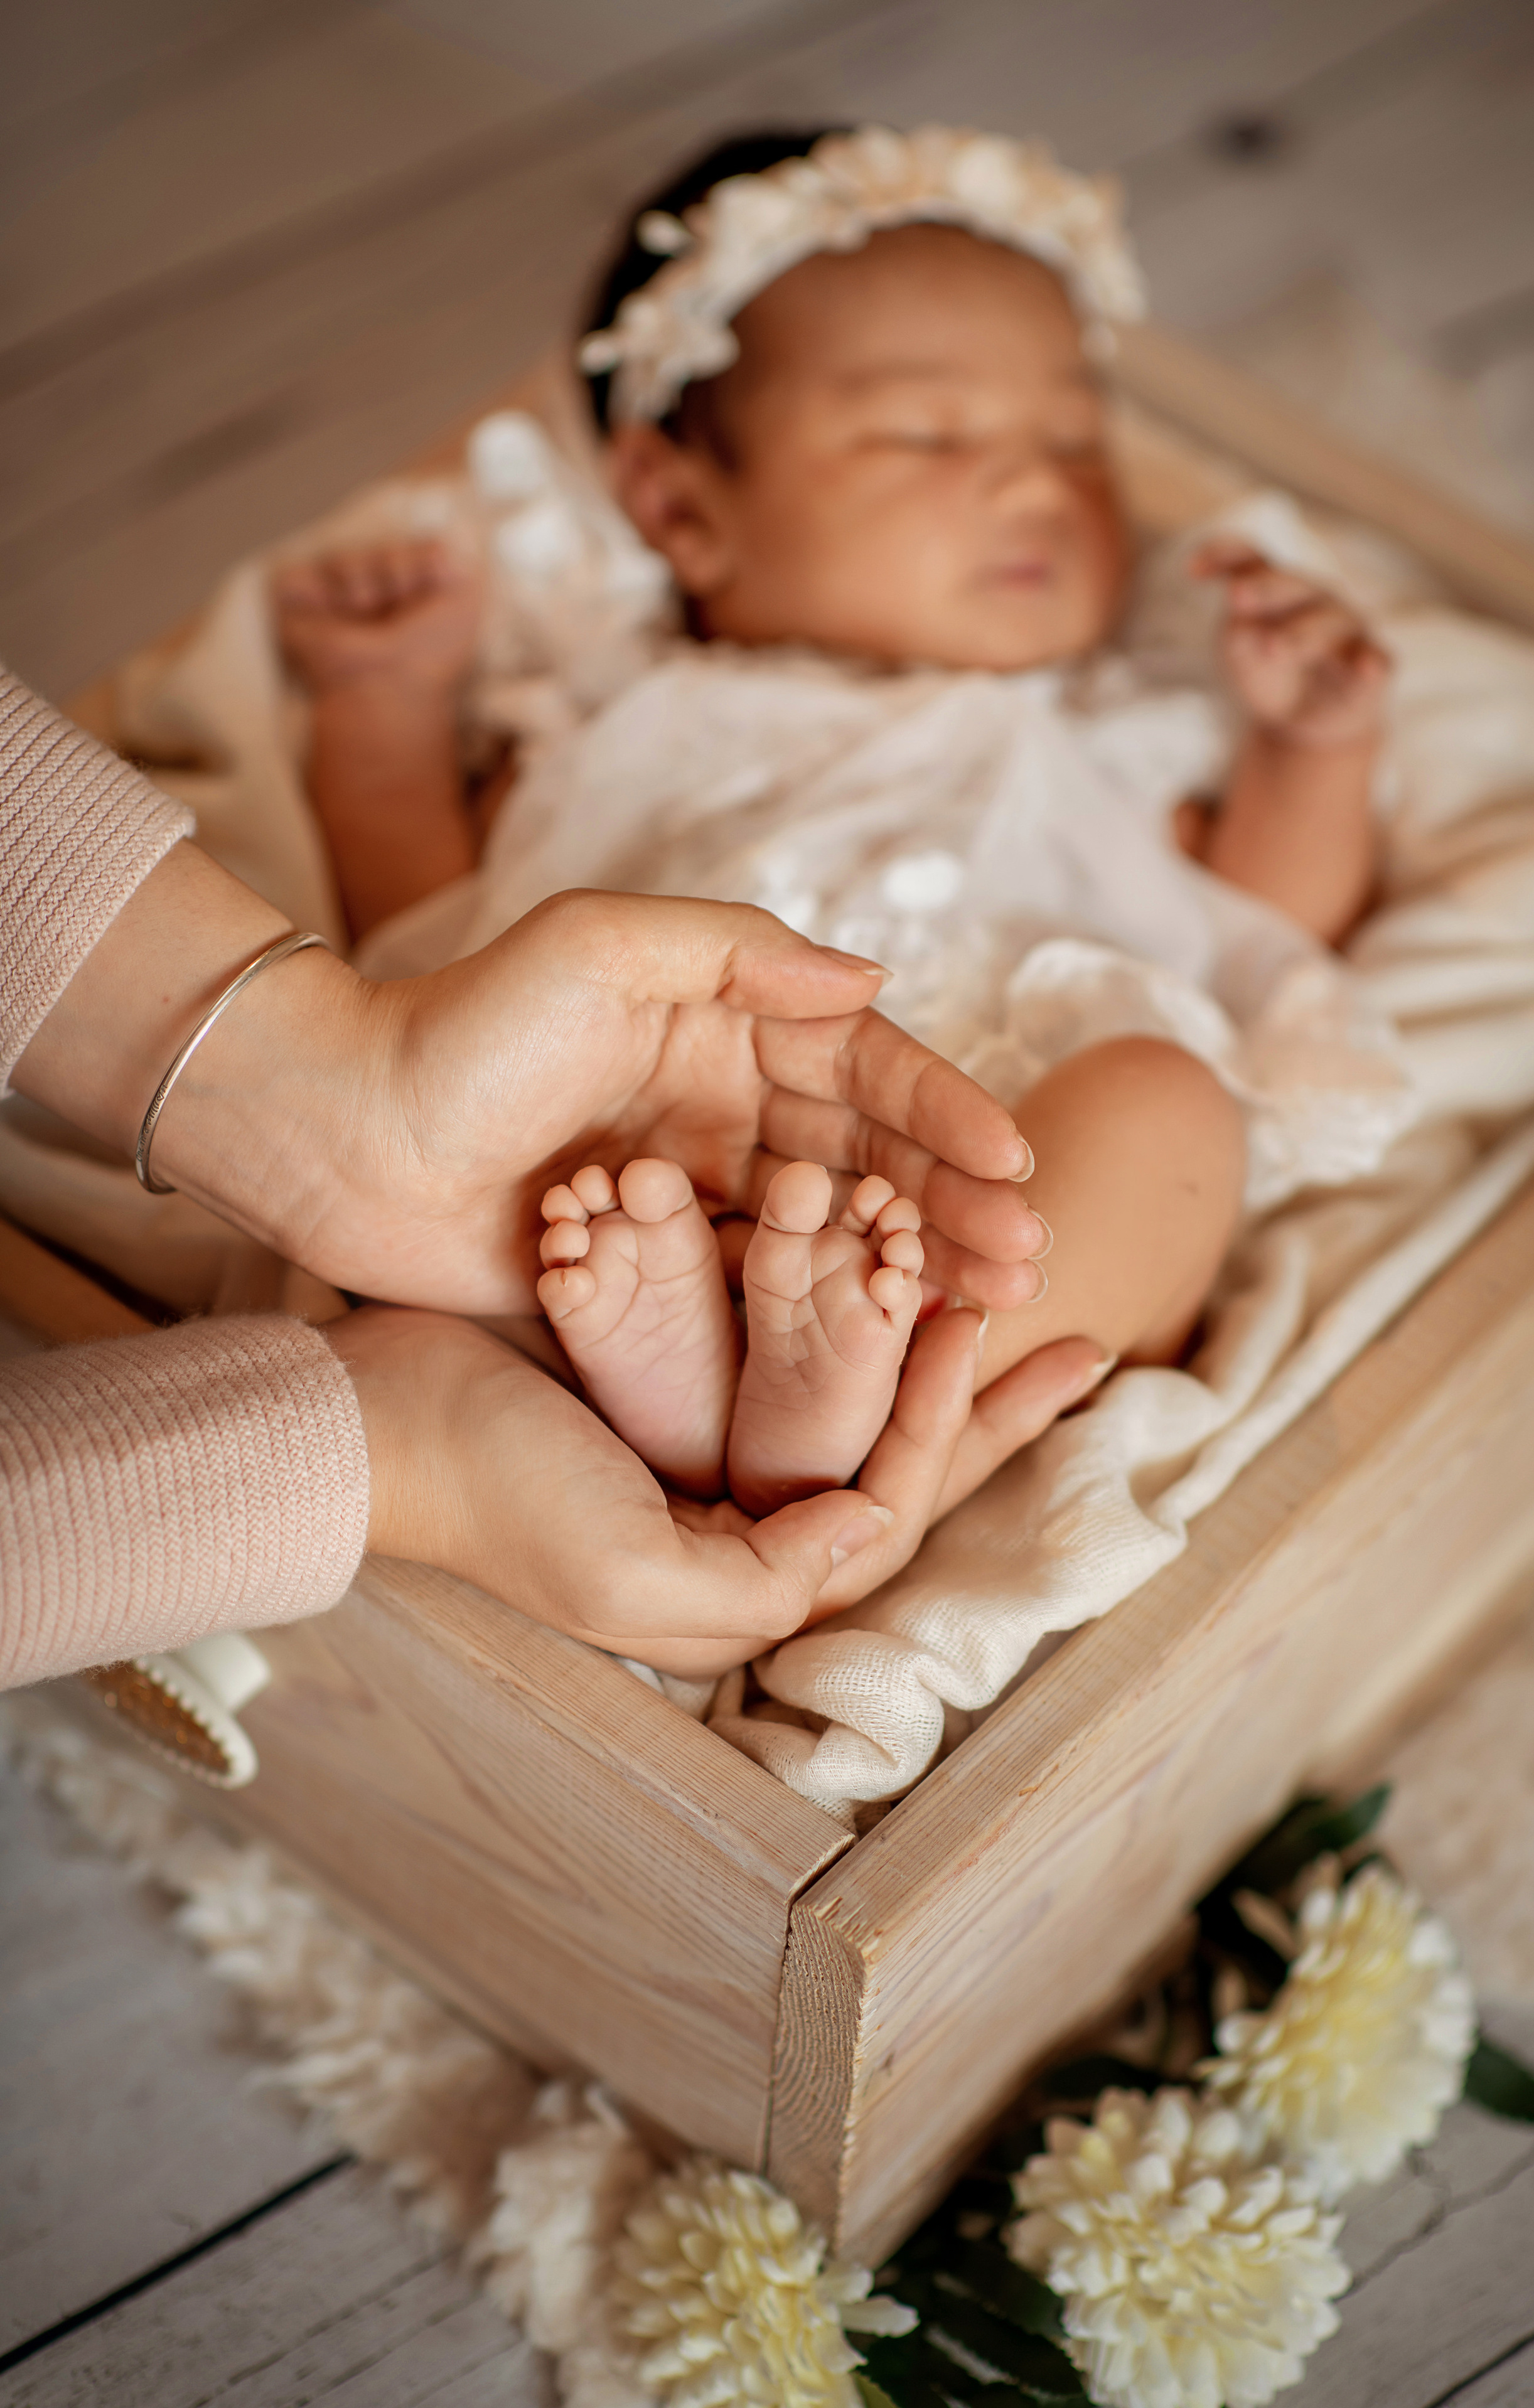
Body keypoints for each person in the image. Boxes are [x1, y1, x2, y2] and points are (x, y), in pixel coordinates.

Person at [269, 126, 1408, 1522]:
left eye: (1072, 440)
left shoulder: (1103, 721)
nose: (1037, 485)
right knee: (503, 1136)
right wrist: (381, 709)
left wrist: (1311, 748)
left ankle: (873, 1416)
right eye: (926, 433)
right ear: (681, 509)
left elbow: (1268, 927)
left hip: (995, 1179)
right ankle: (707, 1397)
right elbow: (433, 929)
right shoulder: (611, 711)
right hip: (675, 1162)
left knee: (1169, 1108)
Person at [1, 665, 1095, 1690]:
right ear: (691, 537)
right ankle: (788, 1441)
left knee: (1141, 1101)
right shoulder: (625, 675)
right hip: (633, 1131)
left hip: (818, 1112)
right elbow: (425, 882)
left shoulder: (1111, 732)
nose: (1029, 524)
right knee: (530, 1236)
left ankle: (791, 1428)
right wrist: (384, 708)